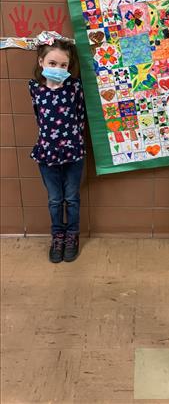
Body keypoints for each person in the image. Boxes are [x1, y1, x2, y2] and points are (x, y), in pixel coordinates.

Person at [29, 31, 86, 263]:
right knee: (55, 199)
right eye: (53, 63)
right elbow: (38, 118)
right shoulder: (35, 89)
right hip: (47, 153)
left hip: (73, 152)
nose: (59, 68)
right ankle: (58, 236)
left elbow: (80, 116)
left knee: (71, 198)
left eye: (64, 65)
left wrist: (73, 140)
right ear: (41, 62)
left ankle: (72, 235)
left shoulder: (74, 87)